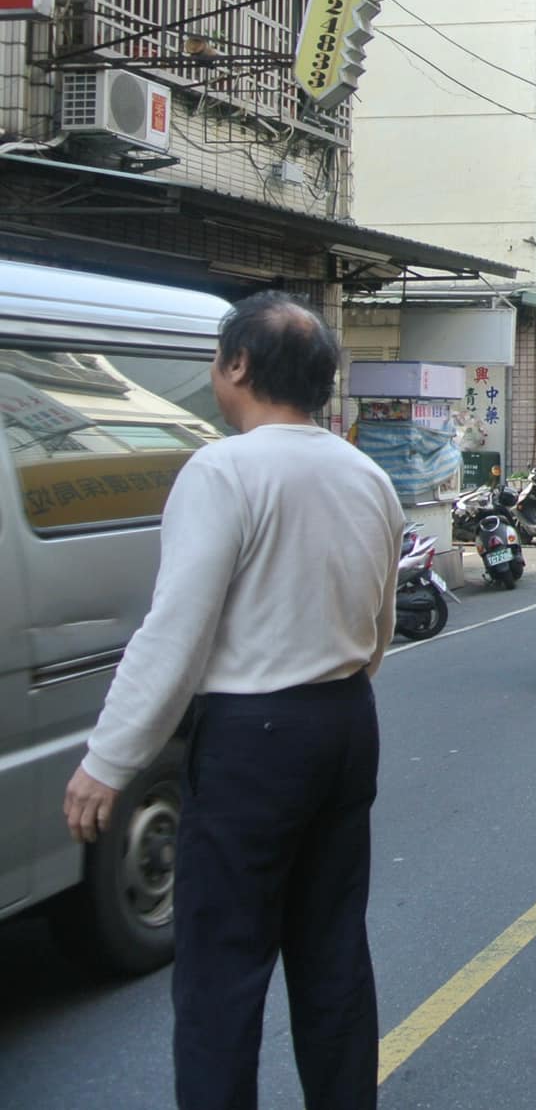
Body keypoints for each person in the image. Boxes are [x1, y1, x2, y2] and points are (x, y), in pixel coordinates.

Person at [61, 291, 403, 1110]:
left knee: (222, 968)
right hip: (346, 721)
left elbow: (174, 630)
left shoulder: (223, 469)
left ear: (239, 365)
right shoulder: (366, 475)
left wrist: (108, 761)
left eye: (219, 356)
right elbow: (380, 623)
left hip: (256, 736)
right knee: (331, 954)